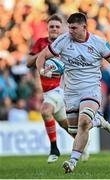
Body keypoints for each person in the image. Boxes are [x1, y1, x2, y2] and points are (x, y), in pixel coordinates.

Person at [36, 12, 110, 173]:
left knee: (84, 122)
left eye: (74, 28)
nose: (70, 31)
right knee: (75, 130)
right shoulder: (63, 40)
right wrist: (43, 71)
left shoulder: (98, 43)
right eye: (69, 27)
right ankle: (97, 121)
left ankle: (72, 162)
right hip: (70, 93)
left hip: (91, 89)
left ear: (84, 27)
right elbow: (41, 57)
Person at [27, 14, 68, 163]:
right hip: (47, 91)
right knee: (66, 125)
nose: (54, 29)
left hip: (62, 88)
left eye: (57, 26)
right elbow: (28, 62)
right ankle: (83, 143)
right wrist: (44, 53)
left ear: (62, 28)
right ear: (47, 28)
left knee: (45, 111)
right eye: (52, 26)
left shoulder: (66, 44)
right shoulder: (40, 43)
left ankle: (54, 149)